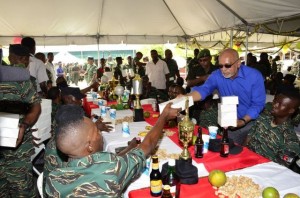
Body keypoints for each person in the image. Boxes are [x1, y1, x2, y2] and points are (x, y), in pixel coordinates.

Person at [45, 103, 180, 197]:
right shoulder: (111, 168)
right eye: (97, 132)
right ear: (89, 146)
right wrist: (163, 117)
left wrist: (128, 148)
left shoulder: (52, 179)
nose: (101, 134)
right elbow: (148, 145)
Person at [186, 48, 266, 145]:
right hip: (230, 120)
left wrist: (242, 121)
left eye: (228, 66)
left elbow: (258, 104)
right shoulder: (217, 75)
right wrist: (185, 99)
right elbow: (203, 90)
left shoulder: (254, 76)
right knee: (225, 148)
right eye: (220, 66)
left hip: (251, 121)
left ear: (238, 63)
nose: (223, 70)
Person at [0, 45, 41, 197]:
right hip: (15, 149)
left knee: (20, 190)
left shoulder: (18, 77)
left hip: (16, 148)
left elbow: (36, 107)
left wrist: (24, 126)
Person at [246, 89, 300, 168]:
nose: (274, 105)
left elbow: (278, 168)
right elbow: (248, 138)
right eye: (275, 101)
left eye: (280, 104)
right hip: (246, 160)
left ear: (291, 110)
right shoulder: (262, 119)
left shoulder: (290, 140)